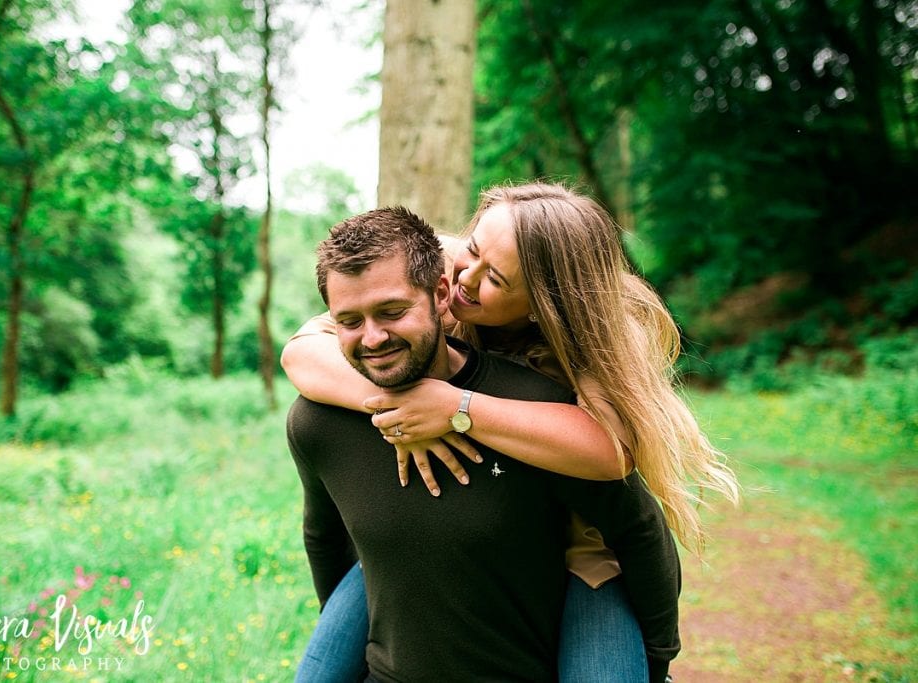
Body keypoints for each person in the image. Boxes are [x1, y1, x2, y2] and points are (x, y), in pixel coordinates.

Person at [284, 182, 741, 682]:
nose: (464, 280)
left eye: (495, 279)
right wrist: (401, 404)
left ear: (545, 302)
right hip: (423, 549)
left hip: (575, 543)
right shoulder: (441, 269)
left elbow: (609, 457)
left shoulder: (588, 339)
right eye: (472, 251)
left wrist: (458, 408)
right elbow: (302, 355)